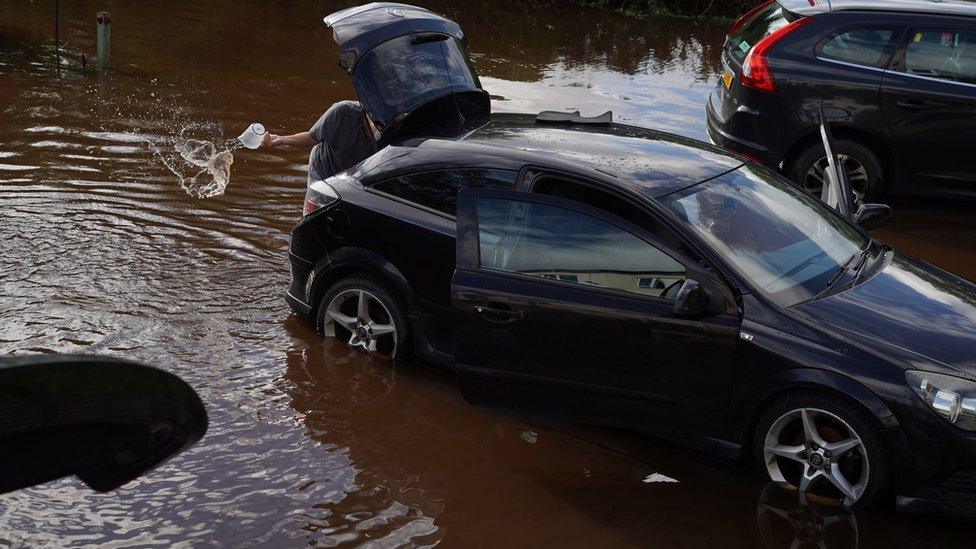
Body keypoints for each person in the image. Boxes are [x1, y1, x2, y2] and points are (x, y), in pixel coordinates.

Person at [261, 100, 381, 181]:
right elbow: (312, 137)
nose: (380, 126)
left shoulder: (392, 130)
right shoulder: (342, 112)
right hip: (323, 168)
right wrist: (281, 139)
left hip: (354, 177)